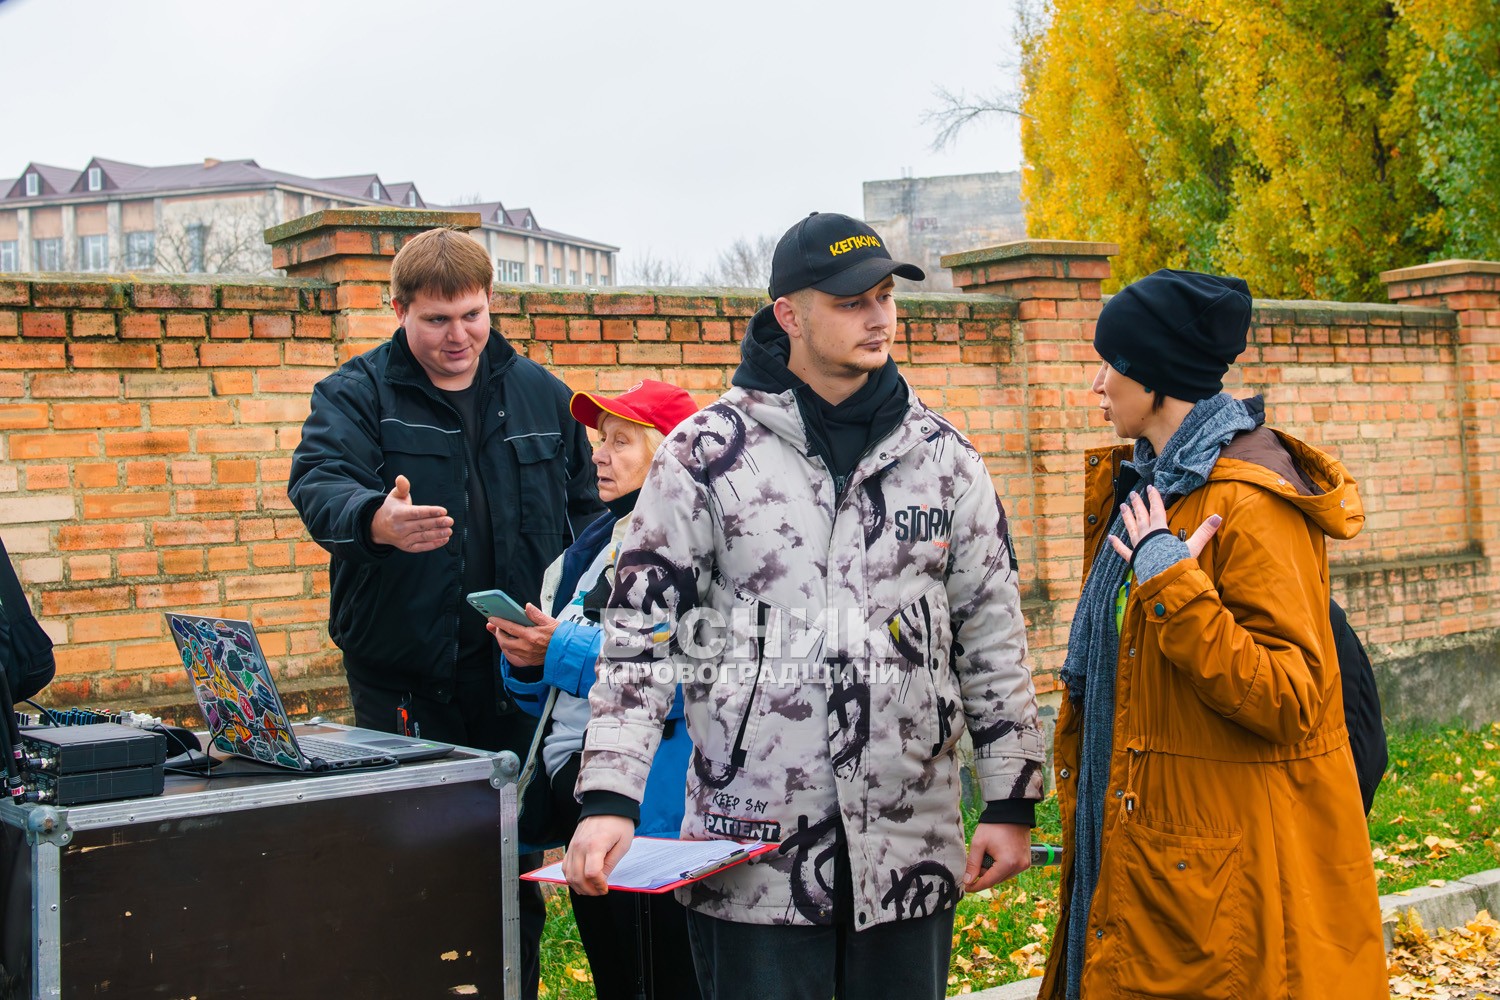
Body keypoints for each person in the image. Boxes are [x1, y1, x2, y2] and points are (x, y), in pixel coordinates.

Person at [564, 212, 1046, 1000]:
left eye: (885, 296)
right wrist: (611, 796)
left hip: (909, 843)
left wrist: (1010, 797)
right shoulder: (704, 456)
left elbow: (991, 634)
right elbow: (640, 635)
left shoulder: (944, 459)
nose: (879, 316)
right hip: (754, 850)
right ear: (788, 314)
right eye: (852, 301)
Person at [1038, 270, 1386, 998]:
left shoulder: (1248, 503)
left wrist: (1172, 582)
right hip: (1144, 856)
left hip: (1214, 885)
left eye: (1110, 366)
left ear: (1155, 379)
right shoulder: (1151, 487)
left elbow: (1291, 695)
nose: (1097, 385)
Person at [286, 227, 601, 1000]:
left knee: (515, 865)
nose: (457, 337)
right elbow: (318, 483)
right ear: (398, 310)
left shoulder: (543, 394)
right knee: (416, 869)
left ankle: (513, 985)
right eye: (435, 320)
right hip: (408, 680)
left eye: (471, 316)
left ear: (491, 302)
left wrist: (575, 620)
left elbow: (590, 515)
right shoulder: (355, 394)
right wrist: (374, 519)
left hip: (522, 677)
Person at [492, 378, 701, 1000]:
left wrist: (557, 648)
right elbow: (552, 699)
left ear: (670, 453)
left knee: (663, 976)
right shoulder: (586, 551)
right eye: (599, 441)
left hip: (654, 803)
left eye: (621, 442)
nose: (599, 456)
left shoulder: (698, 545)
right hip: (577, 790)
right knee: (615, 972)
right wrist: (526, 663)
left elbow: (691, 676)